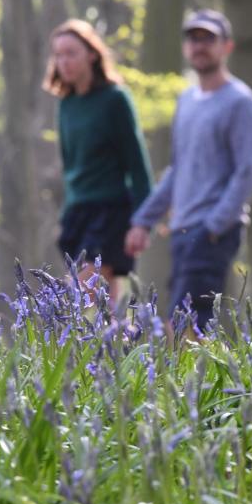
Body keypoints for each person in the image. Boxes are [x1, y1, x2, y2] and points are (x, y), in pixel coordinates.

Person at [125, 9, 252, 332]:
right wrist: (143, 220)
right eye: (193, 39)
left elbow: (246, 172)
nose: (199, 46)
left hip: (212, 230)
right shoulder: (186, 101)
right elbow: (177, 171)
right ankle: (197, 381)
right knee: (189, 321)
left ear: (226, 46)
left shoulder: (240, 101)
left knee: (186, 321)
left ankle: (187, 383)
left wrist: (214, 226)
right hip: (182, 230)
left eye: (208, 39)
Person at [43, 19, 153, 302]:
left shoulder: (115, 100)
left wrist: (143, 221)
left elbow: (138, 165)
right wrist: (67, 213)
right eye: (58, 55)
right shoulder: (66, 105)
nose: (63, 61)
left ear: (91, 54)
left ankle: (58, 340)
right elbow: (70, 167)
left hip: (111, 211)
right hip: (78, 213)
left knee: (81, 295)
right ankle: (119, 343)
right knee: (107, 304)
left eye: (71, 53)